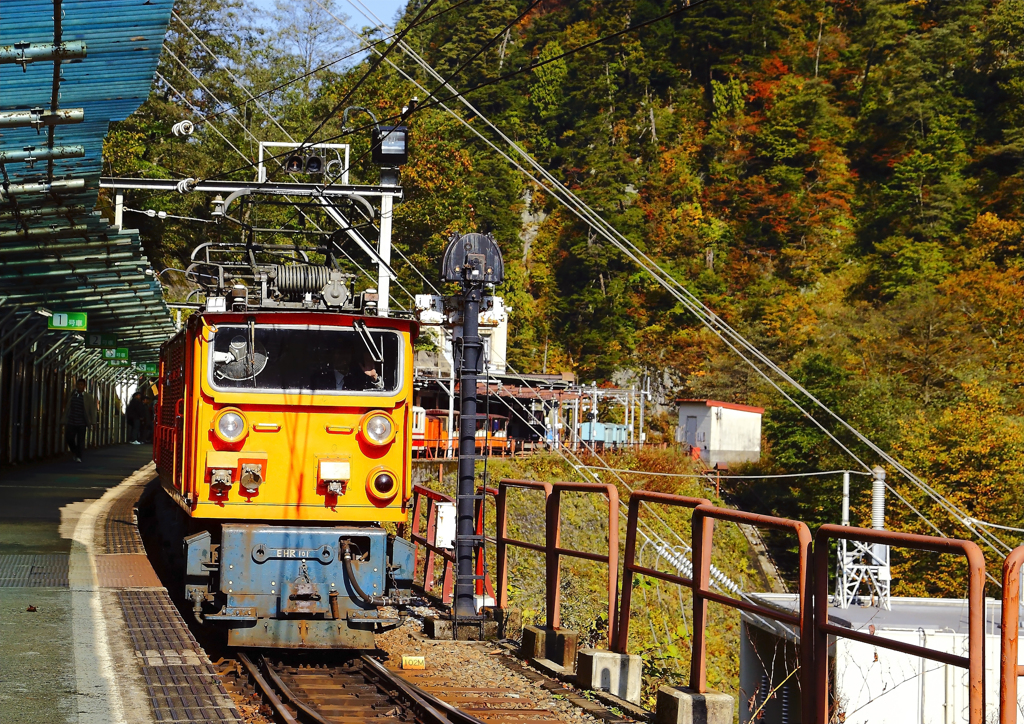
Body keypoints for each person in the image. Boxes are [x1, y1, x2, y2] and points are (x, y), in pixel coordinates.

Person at [63, 379, 96, 462]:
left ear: (84, 387)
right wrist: (63, 419)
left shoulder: (88, 397)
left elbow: (92, 410)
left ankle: (79, 456)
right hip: (71, 421)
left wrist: (93, 422)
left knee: (80, 440)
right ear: (76, 385)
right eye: (78, 385)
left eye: (82, 385)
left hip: (82, 422)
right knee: (69, 438)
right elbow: (67, 408)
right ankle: (75, 451)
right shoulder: (72, 395)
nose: (80, 386)